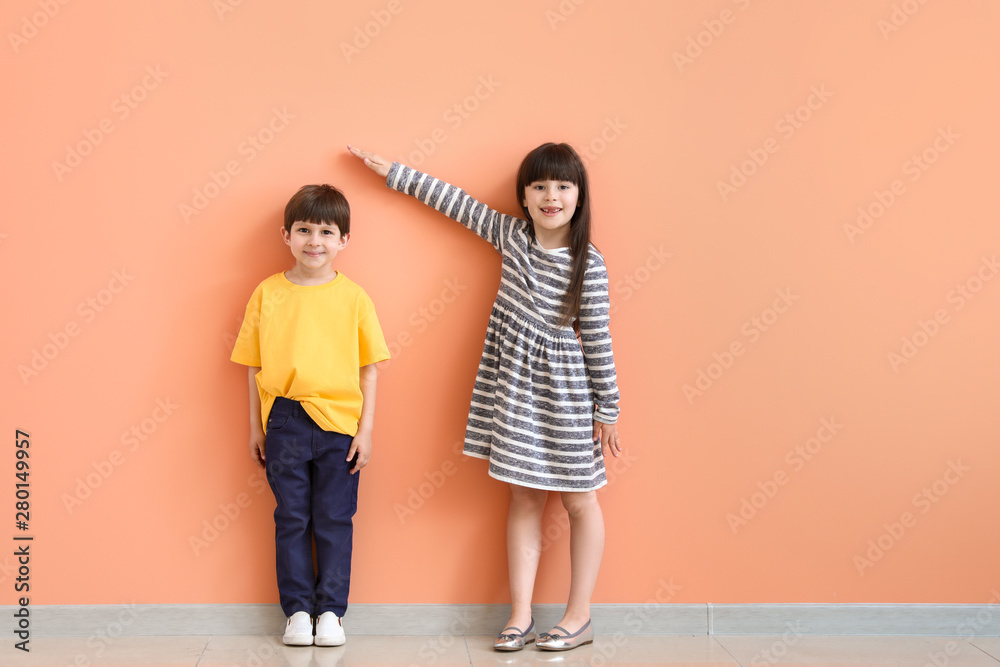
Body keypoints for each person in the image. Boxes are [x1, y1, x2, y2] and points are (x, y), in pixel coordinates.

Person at [348, 143, 621, 652]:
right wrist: (395, 174)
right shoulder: (511, 236)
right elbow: (456, 202)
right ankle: (519, 614)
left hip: (565, 394)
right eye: (539, 186)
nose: (550, 196)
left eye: (562, 186)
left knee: (580, 500)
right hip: (514, 388)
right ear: (523, 195)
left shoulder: (589, 263)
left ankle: (579, 616)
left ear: (579, 196)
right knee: (522, 494)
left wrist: (608, 408)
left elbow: (599, 339)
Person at [230, 184, 390, 647]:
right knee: (292, 518)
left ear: (344, 240)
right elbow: (253, 367)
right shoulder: (267, 293)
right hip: (285, 421)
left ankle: (332, 614)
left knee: (335, 519)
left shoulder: (355, 298)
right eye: (304, 230)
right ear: (286, 234)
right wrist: (256, 428)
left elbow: (370, 369)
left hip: (341, 426)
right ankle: (298, 611)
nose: (314, 241)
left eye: (326, 231)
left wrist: (367, 432)